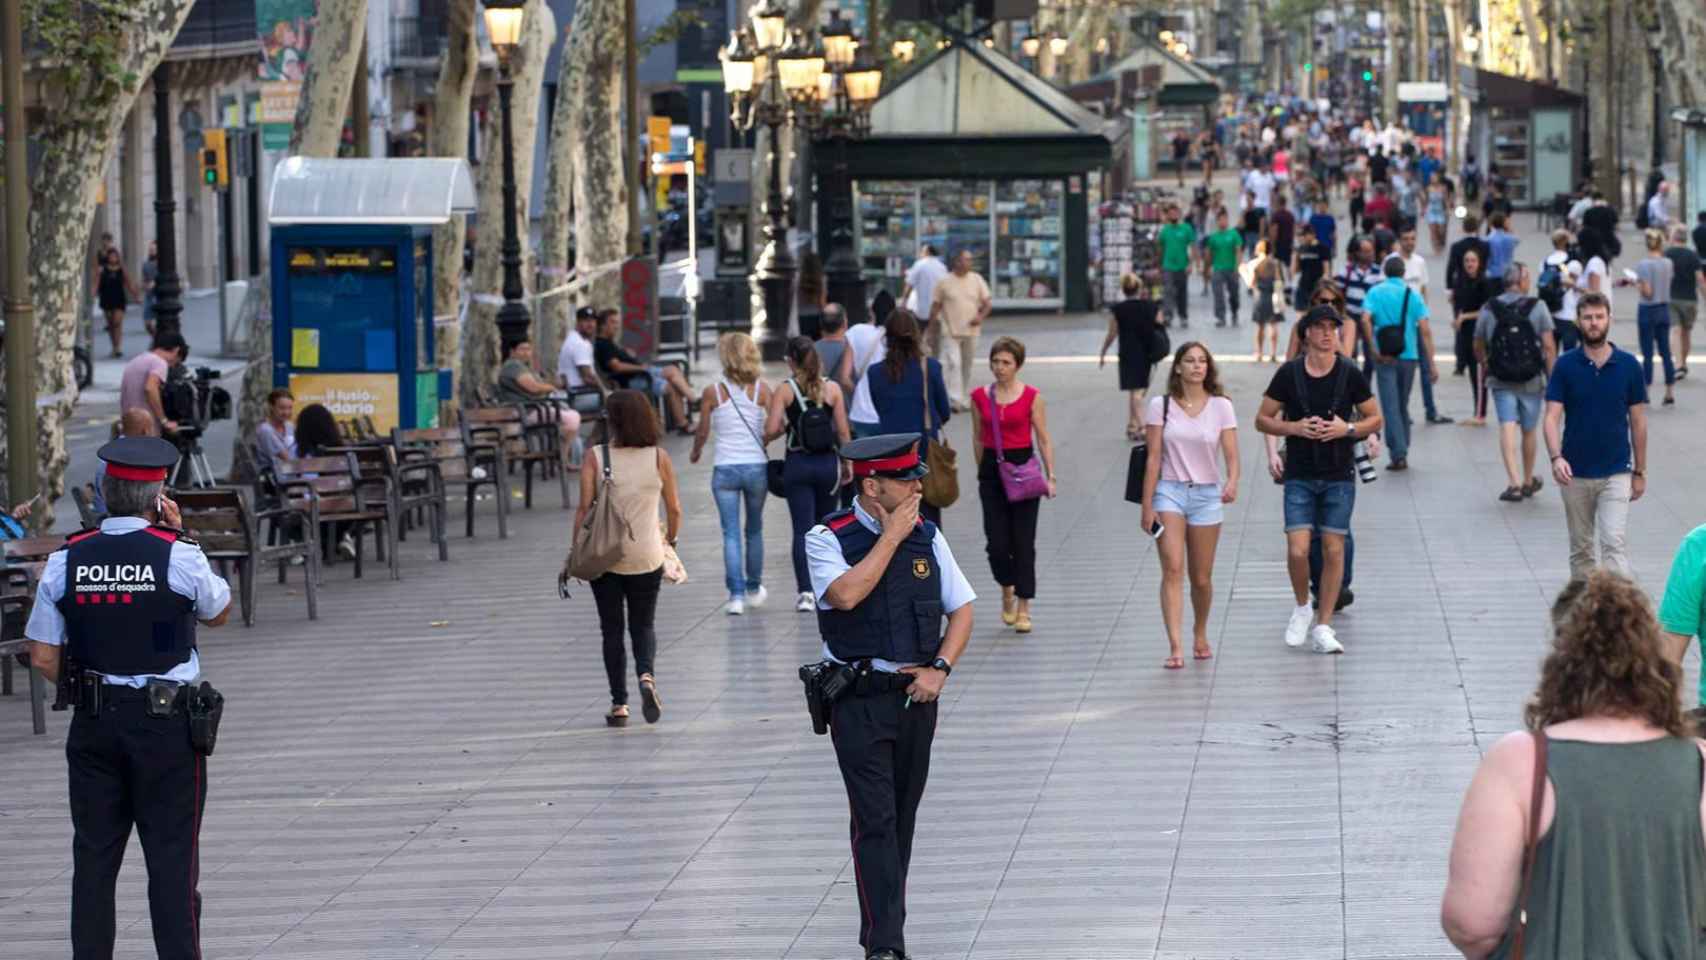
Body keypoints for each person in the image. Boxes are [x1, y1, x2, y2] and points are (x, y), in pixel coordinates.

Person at [25, 436, 233, 960]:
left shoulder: (65, 559)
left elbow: (44, 657)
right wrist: (181, 532)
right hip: (167, 729)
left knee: (93, 860)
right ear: (158, 495)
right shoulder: (177, 554)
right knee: (171, 861)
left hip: (95, 724)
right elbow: (218, 610)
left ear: (102, 493)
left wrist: (96, 688)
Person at [1441, 572, 1706, 960]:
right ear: (1653, 663)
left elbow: (1472, 924)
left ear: (1560, 661)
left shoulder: (1520, 764)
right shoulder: (1697, 763)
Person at [803, 433, 974, 960]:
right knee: (874, 820)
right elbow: (846, 595)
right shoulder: (826, 536)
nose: (918, 485)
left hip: (915, 699)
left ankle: (879, 926)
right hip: (857, 698)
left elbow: (962, 609)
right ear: (873, 485)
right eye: (907, 479)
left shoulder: (928, 535)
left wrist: (940, 670)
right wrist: (890, 539)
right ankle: (886, 945)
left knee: (900, 817)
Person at [1255, 305, 1383, 655]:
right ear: (1306, 334)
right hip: (1299, 473)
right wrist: (1293, 427)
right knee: (1297, 549)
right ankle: (1302, 606)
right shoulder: (1289, 374)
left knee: (1333, 548)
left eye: (1333, 328)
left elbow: (1375, 418)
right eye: (1320, 327)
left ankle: (1323, 625)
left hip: (1338, 474)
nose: (1328, 334)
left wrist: (1348, 428)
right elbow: (1262, 419)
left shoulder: (1349, 373)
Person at [575, 390, 682, 727]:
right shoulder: (659, 457)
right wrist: (671, 540)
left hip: (605, 555)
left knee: (611, 629)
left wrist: (576, 552)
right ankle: (646, 676)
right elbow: (675, 508)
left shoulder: (596, 457)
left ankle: (619, 704)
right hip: (647, 555)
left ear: (612, 421)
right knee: (644, 623)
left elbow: (583, 509)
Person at [1140, 342, 1239, 669]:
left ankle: (1199, 631)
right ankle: (1176, 645)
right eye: (1190, 361)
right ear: (1178, 368)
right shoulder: (1160, 406)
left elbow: (1231, 454)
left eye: (1202, 361)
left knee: (1201, 578)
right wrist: (1147, 504)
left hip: (1207, 496)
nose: (1197, 366)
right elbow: (1153, 457)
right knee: (1172, 568)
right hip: (1169, 491)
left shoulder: (1222, 406)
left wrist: (1232, 480)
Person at [1544, 293, 1648, 579]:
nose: (1594, 323)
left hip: (1616, 472)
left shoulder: (1628, 365)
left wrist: (1639, 471)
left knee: (1613, 543)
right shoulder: (1565, 365)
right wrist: (1556, 457)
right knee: (1581, 549)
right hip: (1574, 473)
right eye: (1588, 317)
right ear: (1578, 321)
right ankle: (1585, 616)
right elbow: (1551, 417)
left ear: (1609, 320)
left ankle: (1618, 618)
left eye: (1599, 317)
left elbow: (1638, 421)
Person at [969, 337, 1057, 634]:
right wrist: (981, 470)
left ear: (1018, 365)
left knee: (1023, 542)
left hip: (1023, 470)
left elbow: (1043, 437)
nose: (999, 368)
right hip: (992, 471)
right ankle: (1006, 586)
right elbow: (977, 437)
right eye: (995, 362)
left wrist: (1051, 475)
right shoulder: (980, 396)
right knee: (996, 543)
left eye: (1006, 362)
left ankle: (1023, 606)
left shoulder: (1032, 396)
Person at [766, 336, 852, 613]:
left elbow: (771, 428)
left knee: (802, 529)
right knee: (827, 527)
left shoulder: (785, 390)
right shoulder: (833, 388)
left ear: (791, 361)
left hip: (798, 464)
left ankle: (805, 592)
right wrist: (848, 462)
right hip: (827, 465)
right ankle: (830, 585)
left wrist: (782, 430)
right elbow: (842, 431)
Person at [690, 332, 771, 616]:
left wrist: (696, 451)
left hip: (724, 467)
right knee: (755, 529)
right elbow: (776, 426)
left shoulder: (713, 391)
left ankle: (735, 596)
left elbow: (702, 430)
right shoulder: (763, 390)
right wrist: (765, 440)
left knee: (731, 533)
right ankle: (753, 587)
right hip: (756, 466)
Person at [1475, 262, 1558, 502]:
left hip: (1500, 378)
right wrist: (1552, 378)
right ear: (1521, 281)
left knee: (1507, 425)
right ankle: (1529, 478)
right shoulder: (1538, 306)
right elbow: (1549, 346)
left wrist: (1485, 363)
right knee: (1529, 430)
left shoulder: (1489, 308)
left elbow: (1478, 341)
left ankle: (1514, 482)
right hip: (1531, 378)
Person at [866, 310, 951, 528]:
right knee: (929, 517)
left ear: (887, 337)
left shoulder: (875, 373)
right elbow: (944, 412)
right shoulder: (930, 367)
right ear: (916, 334)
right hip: (922, 452)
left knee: (892, 517)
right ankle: (929, 560)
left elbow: (879, 408)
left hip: (889, 454)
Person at [1362, 254, 1437, 470]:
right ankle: (1403, 447)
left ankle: (1398, 452)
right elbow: (1425, 330)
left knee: (1390, 406)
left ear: (1385, 271)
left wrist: (1372, 348)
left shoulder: (1375, 292)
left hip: (1384, 357)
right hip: (1409, 356)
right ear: (1404, 273)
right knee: (1402, 403)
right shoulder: (1412, 295)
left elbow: (1365, 319)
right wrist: (1431, 363)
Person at [593, 308, 695, 433]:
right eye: (613, 322)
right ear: (603, 325)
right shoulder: (603, 344)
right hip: (635, 379)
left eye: (617, 322)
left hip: (639, 374)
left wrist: (626, 353)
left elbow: (618, 359)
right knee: (672, 374)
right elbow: (617, 367)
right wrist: (640, 367)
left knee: (673, 378)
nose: (617, 326)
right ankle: (692, 402)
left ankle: (684, 421)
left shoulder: (608, 342)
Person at [497, 336, 582, 461]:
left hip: (531, 409)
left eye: (529, 349)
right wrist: (550, 388)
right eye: (522, 349)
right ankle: (562, 458)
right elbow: (534, 387)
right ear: (512, 351)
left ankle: (561, 454)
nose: (526, 353)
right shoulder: (512, 366)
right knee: (572, 418)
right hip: (525, 411)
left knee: (569, 420)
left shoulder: (523, 366)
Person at [926, 249, 991, 411]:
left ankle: (963, 396)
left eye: (970, 260)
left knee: (966, 365)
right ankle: (955, 400)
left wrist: (980, 317)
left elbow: (987, 303)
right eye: (964, 260)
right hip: (950, 331)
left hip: (972, 331)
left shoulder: (977, 279)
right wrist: (930, 328)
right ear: (956, 262)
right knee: (954, 363)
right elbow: (936, 306)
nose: (968, 263)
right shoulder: (944, 282)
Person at [1100, 272, 1162, 440]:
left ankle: (1133, 425)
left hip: (1127, 353)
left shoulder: (1118, 310)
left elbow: (1112, 333)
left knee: (1134, 390)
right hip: (1147, 352)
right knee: (1138, 391)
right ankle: (1141, 427)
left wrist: (1103, 351)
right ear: (1139, 288)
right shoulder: (1150, 307)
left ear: (1123, 289)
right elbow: (1160, 326)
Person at [1398, 227, 1450, 424]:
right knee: (1405, 370)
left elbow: (1424, 289)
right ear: (1400, 240)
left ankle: (1431, 409)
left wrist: (1425, 314)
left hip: (1417, 322)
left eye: (1412, 238)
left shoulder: (1419, 262)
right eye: (1406, 238)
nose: (1410, 242)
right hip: (1400, 327)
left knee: (1426, 365)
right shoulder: (1393, 262)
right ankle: (1402, 410)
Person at [1630, 228, 1678, 405]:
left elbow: (1648, 292)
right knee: (1666, 352)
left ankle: (1646, 390)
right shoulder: (1668, 263)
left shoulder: (1644, 265)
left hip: (1648, 309)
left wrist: (1637, 284)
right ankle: (1669, 390)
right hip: (1664, 308)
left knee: (1648, 352)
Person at [1452, 248, 1499, 426]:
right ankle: (1478, 411)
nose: (1469, 264)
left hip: (1480, 334)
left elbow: (1486, 311)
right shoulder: (1460, 281)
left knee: (1480, 373)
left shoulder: (1484, 283)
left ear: (1479, 263)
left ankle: (1480, 414)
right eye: (1466, 261)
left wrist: (1464, 316)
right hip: (1465, 333)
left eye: (1473, 261)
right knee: (1474, 373)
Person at [89, 409, 159, 515]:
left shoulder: (111, 452)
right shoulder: (137, 456)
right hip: (122, 518)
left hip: (106, 518)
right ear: (146, 431)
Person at [118, 331, 186, 435]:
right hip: (145, 430)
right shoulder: (160, 363)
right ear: (177, 351)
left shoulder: (136, 360)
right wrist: (164, 421)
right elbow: (150, 388)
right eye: (176, 363)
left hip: (128, 426)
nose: (172, 366)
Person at [556, 305, 608, 413]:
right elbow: (588, 378)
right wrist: (605, 392)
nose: (591, 325)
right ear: (578, 322)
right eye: (586, 321)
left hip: (574, 394)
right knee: (620, 404)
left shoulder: (575, 339)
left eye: (593, 321)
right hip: (579, 396)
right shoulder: (579, 344)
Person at [92, 246, 139, 358]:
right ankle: (114, 347)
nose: (113, 258)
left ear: (118, 257)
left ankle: (118, 347)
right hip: (106, 298)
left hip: (119, 298)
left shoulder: (121, 269)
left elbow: (129, 283)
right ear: (108, 257)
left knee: (117, 322)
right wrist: (92, 296)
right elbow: (96, 284)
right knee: (110, 324)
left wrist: (136, 296)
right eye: (111, 256)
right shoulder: (102, 269)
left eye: (115, 256)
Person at [1246, 239, 1287, 362]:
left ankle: (1259, 353)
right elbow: (1280, 281)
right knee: (1274, 326)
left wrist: (1243, 272)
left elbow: (1251, 283)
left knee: (1260, 327)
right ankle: (1273, 353)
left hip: (1261, 296)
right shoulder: (1275, 263)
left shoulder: (1255, 264)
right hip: (1273, 296)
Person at [1157, 203, 1196, 329]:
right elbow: (1160, 248)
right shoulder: (1164, 231)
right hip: (1168, 265)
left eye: (1175, 212)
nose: (1173, 215)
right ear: (1168, 215)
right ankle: (1168, 315)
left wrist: (1191, 264)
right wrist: (1160, 264)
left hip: (1182, 266)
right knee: (1168, 291)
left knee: (1182, 292)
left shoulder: (1186, 229)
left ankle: (1183, 316)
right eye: (1171, 213)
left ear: (1179, 214)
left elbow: (1191, 247)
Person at [1543, 229, 1583, 352]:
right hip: (1569, 313)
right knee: (1570, 353)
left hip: (1551, 312)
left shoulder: (1545, 262)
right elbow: (1574, 282)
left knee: (1552, 351)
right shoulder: (1573, 263)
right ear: (1566, 242)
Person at [1205, 208, 1244, 326]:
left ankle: (1234, 311)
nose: (1223, 222)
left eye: (1225, 219)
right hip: (1218, 269)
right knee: (1218, 294)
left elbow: (1238, 251)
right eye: (1220, 220)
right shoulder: (1213, 237)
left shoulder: (1234, 234)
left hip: (1231, 268)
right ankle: (1220, 316)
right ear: (1217, 222)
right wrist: (1207, 268)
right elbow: (1209, 254)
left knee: (1234, 293)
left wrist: (1238, 267)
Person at [814, 303, 856, 396]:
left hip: (820, 407)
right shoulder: (854, 350)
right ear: (845, 322)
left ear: (821, 324)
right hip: (848, 409)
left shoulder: (810, 350)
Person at [899, 243, 947, 319]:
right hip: (938, 313)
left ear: (927, 252)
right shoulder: (943, 267)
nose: (920, 254)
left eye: (921, 251)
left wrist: (903, 302)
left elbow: (909, 285)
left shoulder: (919, 264)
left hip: (922, 312)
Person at [255, 388, 297, 464]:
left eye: (290, 408)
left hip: (290, 472)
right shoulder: (265, 430)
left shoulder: (290, 426)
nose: (286, 412)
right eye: (282, 408)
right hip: (274, 474)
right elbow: (286, 458)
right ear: (271, 407)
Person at [1291, 222, 1325, 311]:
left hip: (1316, 286)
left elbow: (1326, 269)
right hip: (1303, 286)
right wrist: (1295, 256)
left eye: (1303, 235)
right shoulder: (1300, 249)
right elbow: (1294, 271)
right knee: (1301, 317)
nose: (1301, 238)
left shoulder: (1322, 248)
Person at [1485, 212, 1519, 282]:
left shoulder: (1487, 240)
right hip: (1508, 271)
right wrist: (1509, 230)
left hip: (1493, 273)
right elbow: (1517, 240)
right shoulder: (1511, 239)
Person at [140, 240, 159, 336]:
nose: (151, 251)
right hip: (149, 296)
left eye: (154, 249)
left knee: (159, 321)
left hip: (160, 295)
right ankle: (156, 338)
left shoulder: (163, 264)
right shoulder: (146, 264)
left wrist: (155, 283)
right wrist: (144, 285)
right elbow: (144, 279)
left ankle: (159, 341)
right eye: (150, 249)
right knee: (147, 323)